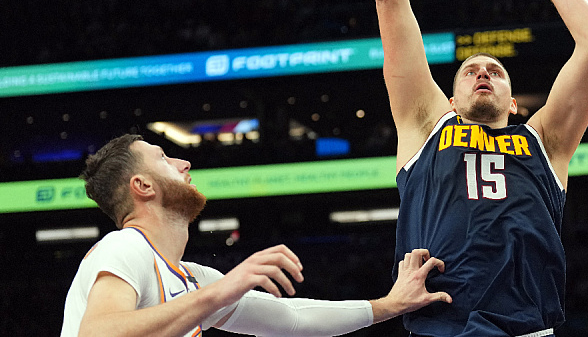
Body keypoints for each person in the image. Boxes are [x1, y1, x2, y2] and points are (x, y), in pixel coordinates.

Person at [345, 0, 588, 337]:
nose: (482, 72)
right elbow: (389, 0)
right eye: (470, 70)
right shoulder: (426, 124)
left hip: (528, 328)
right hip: (442, 323)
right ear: (450, 98)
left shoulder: (545, 142)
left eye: (495, 71)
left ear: (515, 102)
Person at [60, 134, 453, 337]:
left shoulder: (189, 278)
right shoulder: (123, 246)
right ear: (143, 186)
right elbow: (98, 333)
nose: (184, 161)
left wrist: (389, 305)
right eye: (164, 157)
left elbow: (291, 319)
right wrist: (221, 291)